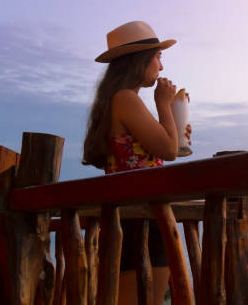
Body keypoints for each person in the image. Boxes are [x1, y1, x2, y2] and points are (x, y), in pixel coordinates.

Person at [83, 21, 191, 305]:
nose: (161, 67)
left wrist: (176, 135)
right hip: (136, 218)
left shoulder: (119, 99)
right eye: (158, 57)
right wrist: (164, 105)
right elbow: (168, 151)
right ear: (139, 60)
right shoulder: (126, 99)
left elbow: (154, 153)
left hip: (135, 217)